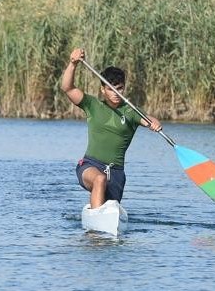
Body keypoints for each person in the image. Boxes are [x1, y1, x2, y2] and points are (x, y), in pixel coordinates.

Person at [60, 47, 162, 209]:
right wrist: (73, 64)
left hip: (116, 174)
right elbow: (68, 88)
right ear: (103, 89)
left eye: (119, 88)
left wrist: (154, 123)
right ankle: (94, 227)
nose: (115, 93)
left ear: (124, 87)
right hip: (90, 165)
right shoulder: (92, 105)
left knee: (108, 207)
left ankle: (98, 216)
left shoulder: (131, 111)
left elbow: (148, 119)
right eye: (110, 88)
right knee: (99, 179)